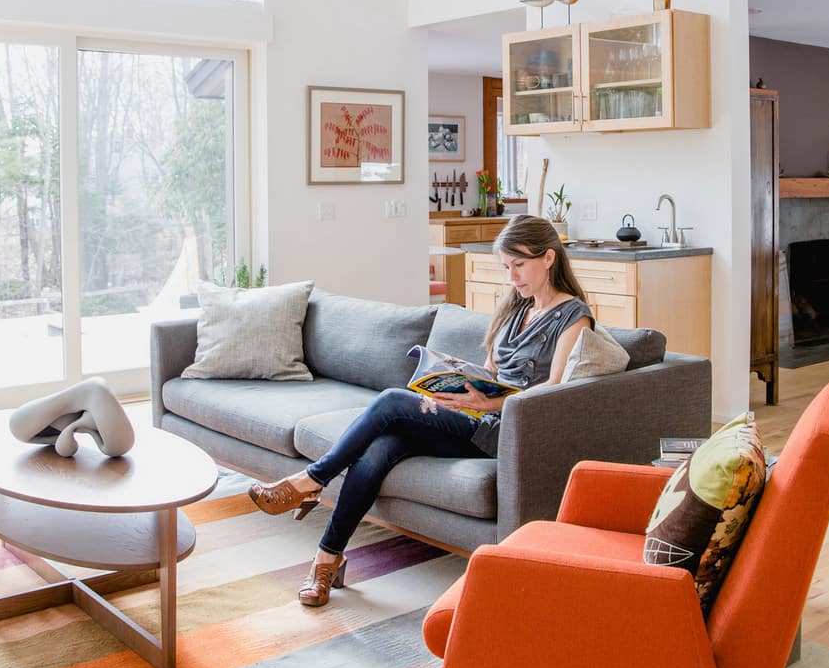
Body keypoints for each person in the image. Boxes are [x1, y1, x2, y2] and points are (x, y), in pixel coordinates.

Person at [248, 215, 593, 607]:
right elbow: (493, 374)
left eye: (519, 265)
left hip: (506, 431)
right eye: (506, 267)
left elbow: (555, 389)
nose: (512, 277)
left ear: (548, 258)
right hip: (477, 416)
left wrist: (489, 402)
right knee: (381, 448)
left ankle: (312, 481)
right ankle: (328, 558)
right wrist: (454, 384)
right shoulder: (516, 310)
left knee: (393, 401)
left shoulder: (574, 316)